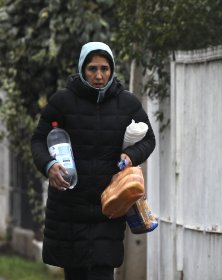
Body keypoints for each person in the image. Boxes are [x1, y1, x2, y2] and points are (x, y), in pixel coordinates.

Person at [31, 42, 156, 280]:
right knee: (75, 274)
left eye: (104, 69)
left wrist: (131, 155)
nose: (99, 75)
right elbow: (38, 141)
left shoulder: (127, 103)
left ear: (112, 70)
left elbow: (149, 139)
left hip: (109, 206)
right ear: (81, 69)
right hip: (69, 209)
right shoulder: (62, 102)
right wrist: (49, 165)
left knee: (102, 272)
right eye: (92, 69)